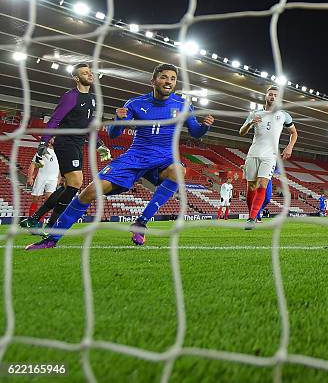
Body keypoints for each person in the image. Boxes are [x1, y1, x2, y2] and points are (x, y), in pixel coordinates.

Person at [26, 63, 214, 250]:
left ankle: (141, 222)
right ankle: (52, 239)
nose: (169, 82)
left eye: (173, 79)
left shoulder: (183, 105)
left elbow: (195, 132)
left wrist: (204, 126)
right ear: (153, 80)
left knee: (179, 171)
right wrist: (118, 120)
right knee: (89, 192)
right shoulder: (135, 104)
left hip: (164, 159)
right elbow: (114, 134)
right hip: (135, 157)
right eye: (164, 77)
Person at [20, 63, 111, 231]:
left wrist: (99, 144)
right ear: (76, 78)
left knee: (68, 186)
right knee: (76, 183)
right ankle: (53, 225)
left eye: (90, 72)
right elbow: (54, 120)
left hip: (78, 143)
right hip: (65, 141)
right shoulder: (70, 96)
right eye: (85, 73)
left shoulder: (92, 99)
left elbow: (89, 124)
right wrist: (43, 143)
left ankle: (34, 219)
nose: (89, 74)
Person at [239, 85, 298, 229]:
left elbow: (294, 133)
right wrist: (250, 124)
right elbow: (241, 132)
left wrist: (289, 146)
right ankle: (251, 215)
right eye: (271, 94)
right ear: (266, 96)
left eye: (276, 95)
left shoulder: (284, 115)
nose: (273, 97)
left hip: (270, 155)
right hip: (253, 153)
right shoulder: (255, 113)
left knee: (262, 184)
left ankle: (252, 219)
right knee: (251, 187)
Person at [26, 138, 60, 226]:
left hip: (53, 179)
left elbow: (60, 168)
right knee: (36, 199)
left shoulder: (61, 152)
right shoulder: (43, 150)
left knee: (49, 201)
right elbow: (33, 164)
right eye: (53, 138)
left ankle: (40, 221)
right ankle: (31, 222)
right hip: (41, 177)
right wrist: (30, 177)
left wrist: (58, 179)